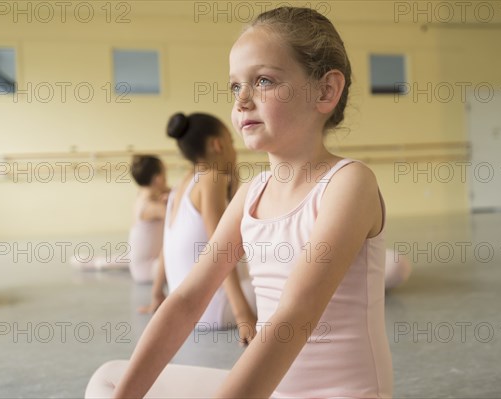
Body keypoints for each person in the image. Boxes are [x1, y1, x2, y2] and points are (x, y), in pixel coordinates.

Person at [85, 6, 392, 398]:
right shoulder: (252, 193)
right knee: (111, 380)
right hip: (273, 391)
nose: (242, 100)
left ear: (326, 90)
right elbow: (187, 299)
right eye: (235, 86)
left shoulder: (349, 183)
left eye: (263, 80)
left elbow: (292, 318)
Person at [139, 112, 257, 334]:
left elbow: (167, 246)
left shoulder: (180, 187)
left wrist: (157, 294)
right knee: (285, 281)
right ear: (217, 144)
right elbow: (221, 249)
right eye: (231, 142)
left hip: (187, 310)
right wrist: (243, 317)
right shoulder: (212, 179)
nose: (235, 149)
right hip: (214, 309)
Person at [70, 155, 168, 285]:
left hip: (141, 260)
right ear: (158, 179)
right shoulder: (152, 207)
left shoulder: (142, 195)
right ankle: (93, 262)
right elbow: (180, 216)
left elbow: (167, 190)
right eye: (164, 173)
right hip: (147, 270)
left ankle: (93, 262)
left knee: (123, 258)